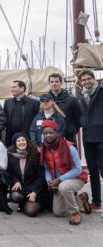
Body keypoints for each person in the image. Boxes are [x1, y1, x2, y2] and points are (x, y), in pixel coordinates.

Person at [40, 120, 90, 225]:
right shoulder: (44, 148)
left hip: (76, 178)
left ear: (57, 133)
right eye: (45, 133)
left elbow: (78, 169)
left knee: (64, 186)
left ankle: (75, 213)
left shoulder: (69, 147)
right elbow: (47, 168)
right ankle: (81, 199)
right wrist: (49, 181)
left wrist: (59, 180)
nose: (48, 135)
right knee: (58, 212)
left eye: (51, 132)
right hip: (58, 182)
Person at [79, 69, 103, 213]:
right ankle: (96, 202)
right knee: (93, 171)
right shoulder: (82, 95)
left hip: (101, 135)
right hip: (88, 136)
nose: (87, 81)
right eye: (83, 80)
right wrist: (83, 122)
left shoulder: (101, 92)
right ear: (80, 82)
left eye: (89, 79)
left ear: (94, 79)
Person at [7, 132, 47, 217]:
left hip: (35, 187)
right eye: (18, 141)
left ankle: (26, 203)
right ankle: (23, 202)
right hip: (21, 187)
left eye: (23, 140)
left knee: (31, 211)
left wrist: (34, 192)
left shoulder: (35, 154)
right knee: (15, 196)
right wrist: (16, 181)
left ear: (27, 141)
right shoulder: (11, 156)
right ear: (15, 143)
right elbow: (9, 173)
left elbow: (40, 177)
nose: (21, 142)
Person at [3, 80, 40, 146]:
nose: (12, 89)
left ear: (22, 88)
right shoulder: (7, 102)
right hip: (11, 138)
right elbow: (4, 118)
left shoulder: (34, 103)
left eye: (14, 87)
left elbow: (37, 121)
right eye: (11, 87)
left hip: (27, 138)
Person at [48, 73, 81, 144]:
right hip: (50, 136)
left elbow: (78, 118)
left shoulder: (71, 99)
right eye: (52, 82)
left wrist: (72, 129)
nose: (54, 84)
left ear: (61, 83)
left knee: (70, 154)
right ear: (49, 84)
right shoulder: (45, 100)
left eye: (56, 81)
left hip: (68, 136)